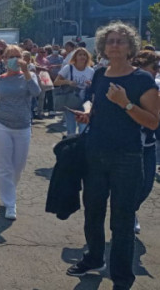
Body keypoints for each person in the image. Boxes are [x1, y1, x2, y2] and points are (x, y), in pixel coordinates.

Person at [65, 23, 159, 290]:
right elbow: (96, 102)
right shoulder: (99, 74)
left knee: (122, 218)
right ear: (103, 47)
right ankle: (93, 257)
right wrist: (89, 113)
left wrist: (125, 103)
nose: (114, 45)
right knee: (93, 211)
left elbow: (153, 122)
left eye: (120, 41)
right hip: (96, 152)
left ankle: (121, 276)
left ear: (130, 47)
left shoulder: (141, 79)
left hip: (127, 156)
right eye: (110, 41)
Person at [0, 45, 41, 220]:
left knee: (18, 166)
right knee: (4, 166)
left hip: (23, 125)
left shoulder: (30, 77)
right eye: (10, 56)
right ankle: (10, 203)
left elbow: (36, 92)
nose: (14, 59)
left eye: (17, 56)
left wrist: (26, 71)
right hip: (1, 125)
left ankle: (9, 190)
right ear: (4, 60)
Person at [130, 50, 160, 234]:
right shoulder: (129, 84)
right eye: (155, 67)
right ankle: (127, 214)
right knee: (130, 183)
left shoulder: (155, 86)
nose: (157, 71)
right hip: (127, 145)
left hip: (148, 145)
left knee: (147, 185)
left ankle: (130, 209)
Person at [53, 48, 94, 137]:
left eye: (84, 55)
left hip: (85, 101)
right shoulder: (69, 68)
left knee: (83, 127)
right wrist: (68, 82)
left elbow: (94, 86)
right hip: (71, 100)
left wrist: (90, 84)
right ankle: (70, 146)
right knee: (71, 127)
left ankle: (81, 147)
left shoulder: (91, 71)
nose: (82, 57)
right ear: (75, 57)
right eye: (80, 54)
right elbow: (56, 82)